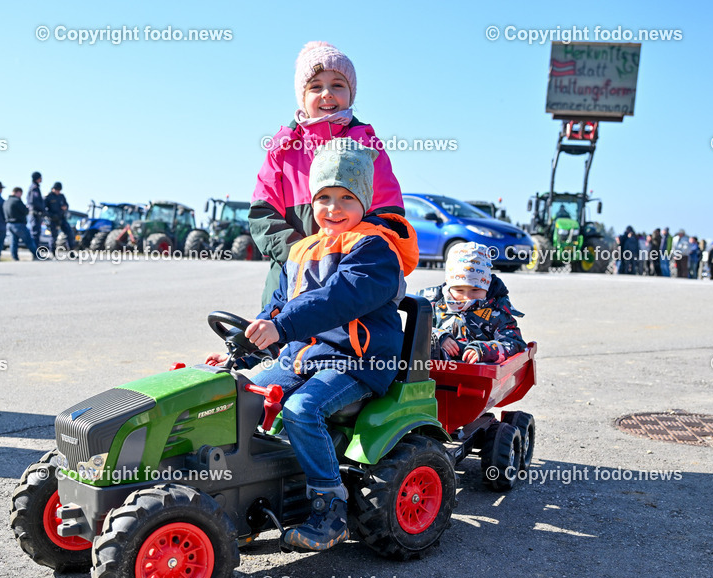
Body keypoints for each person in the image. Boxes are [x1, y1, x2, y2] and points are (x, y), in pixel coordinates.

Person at [208, 142, 419, 551]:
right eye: (324, 197)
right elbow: (278, 306)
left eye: (346, 198)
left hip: (355, 361)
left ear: (365, 201)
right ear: (311, 201)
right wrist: (244, 348)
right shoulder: (302, 250)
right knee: (242, 395)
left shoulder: (375, 248)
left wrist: (282, 326)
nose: (333, 208)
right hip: (303, 357)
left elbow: (337, 299)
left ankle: (330, 510)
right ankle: (241, 499)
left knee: (302, 409)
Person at [249, 41, 404, 307]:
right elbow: (262, 216)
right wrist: (304, 256)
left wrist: (344, 259)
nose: (327, 94)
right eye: (316, 86)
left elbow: (388, 216)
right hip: (289, 283)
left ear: (351, 94)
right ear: (302, 96)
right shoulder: (282, 149)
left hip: (349, 286)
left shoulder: (367, 147)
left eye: (337, 85)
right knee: (279, 332)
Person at [419, 243, 526, 363]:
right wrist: (439, 337)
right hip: (437, 370)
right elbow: (417, 330)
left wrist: (483, 350)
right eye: (459, 290)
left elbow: (513, 342)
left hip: (479, 371)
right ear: (449, 287)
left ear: (487, 287)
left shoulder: (496, 312)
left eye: (475, 290)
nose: (467, 297)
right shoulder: (435, 306)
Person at [5, 186, 40, 260]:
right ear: (18, 192)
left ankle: (15, 257)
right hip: (18, 224)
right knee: (29, 240)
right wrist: (26, 208)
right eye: (21, 194)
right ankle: (37, 256)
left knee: (14, 242)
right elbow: (25, 211)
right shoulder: (17, 201)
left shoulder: (6, 201)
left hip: (9, 224)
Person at [44, 181, 73, 250]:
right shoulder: (48, 197)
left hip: (61, 218)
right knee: (53, 236)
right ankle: (53, 251)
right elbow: (44, 209)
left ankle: (71, 250)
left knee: (69, 233)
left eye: (59, 190)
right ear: (53, 189)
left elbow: (66, 205)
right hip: (52, 219)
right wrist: (51, 215)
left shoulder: (61, 196)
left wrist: (65, 207)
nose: (58, 191)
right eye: (57, 190)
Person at [26, 172, 45, 246]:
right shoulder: (34, 188)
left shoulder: (35, 187)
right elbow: (33, 201)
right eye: (40, 177)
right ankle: (35, 251)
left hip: (36, 214)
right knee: (35, 233)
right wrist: (42, 209)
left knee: (36, 233)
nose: (41, 179)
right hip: (35, 214)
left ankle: (35, 250)